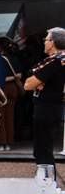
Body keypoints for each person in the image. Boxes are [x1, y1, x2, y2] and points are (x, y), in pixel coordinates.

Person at [23, 27, 65, 178]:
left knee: (42, 148)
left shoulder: (55, 62)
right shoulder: (61, 60)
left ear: (53, 42)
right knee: (44, 146)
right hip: (54, 107)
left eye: (46, 39)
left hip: (46, 108)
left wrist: (37, 82)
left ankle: (48, 181)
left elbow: (28, 84)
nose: (44, 42)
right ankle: (48, 179)